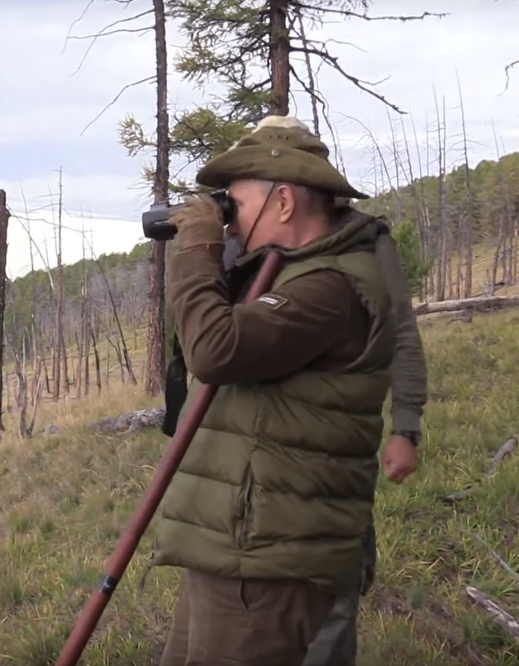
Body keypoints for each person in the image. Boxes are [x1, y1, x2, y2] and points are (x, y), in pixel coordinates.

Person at [150, 114, 397, 666]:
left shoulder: (329, 286)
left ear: (283, 203)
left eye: (233, 205)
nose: (229, 223)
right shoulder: (291, 271)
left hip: (268, 558)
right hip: (240, 541)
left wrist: (198, 251)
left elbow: (214, 351)